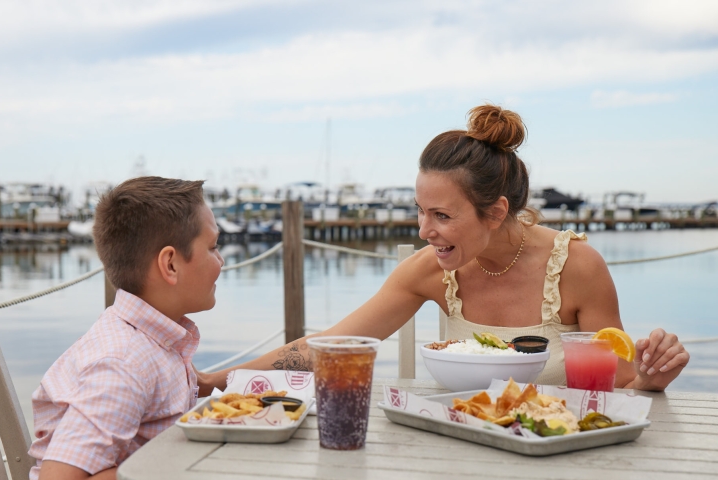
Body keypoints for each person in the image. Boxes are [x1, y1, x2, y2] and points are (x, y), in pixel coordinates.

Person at [198, 104, 689, 395]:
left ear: (495, 212)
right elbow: (331, 345)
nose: (424, 231)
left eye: (443, 216)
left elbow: (623, 381)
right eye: (420, 211)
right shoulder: (430, 270)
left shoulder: (577, 266)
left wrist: (652, 375)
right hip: (458, 458)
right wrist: (212, 381)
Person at [28, 176, 224, 480]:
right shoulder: (124, 362)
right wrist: (189, 470)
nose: (220, 261)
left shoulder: (155, 343)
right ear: (171, 264)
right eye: (212, 247)